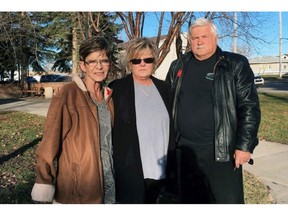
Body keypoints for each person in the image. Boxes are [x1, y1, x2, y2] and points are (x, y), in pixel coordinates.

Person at [165, 18, 261, 204]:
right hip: (186, 152)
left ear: (216, 38)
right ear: (189, 41)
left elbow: (249, 106)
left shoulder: (234, 64)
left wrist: (244, 146)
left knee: (227, 202)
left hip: (221, 152)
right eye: (195, 38)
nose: (199, 41)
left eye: (204, 36)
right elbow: (168, 103)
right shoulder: (178, 66)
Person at [31, 36, 115, 204]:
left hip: (108, 183)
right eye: (93, 61)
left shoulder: (109, 97)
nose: (99, 66)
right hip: (78, 188)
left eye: (104, 60)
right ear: (82, 65)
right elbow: (49, 142)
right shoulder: (68, 95)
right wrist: (44, 179)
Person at [109, 37, 176, 204]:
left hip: (160, 167)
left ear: (154, 62)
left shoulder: (165, 88)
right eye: (137, 60)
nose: (142, 64)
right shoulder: (117, 89)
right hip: (130, 169)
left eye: (148, 59)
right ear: (130, 64)